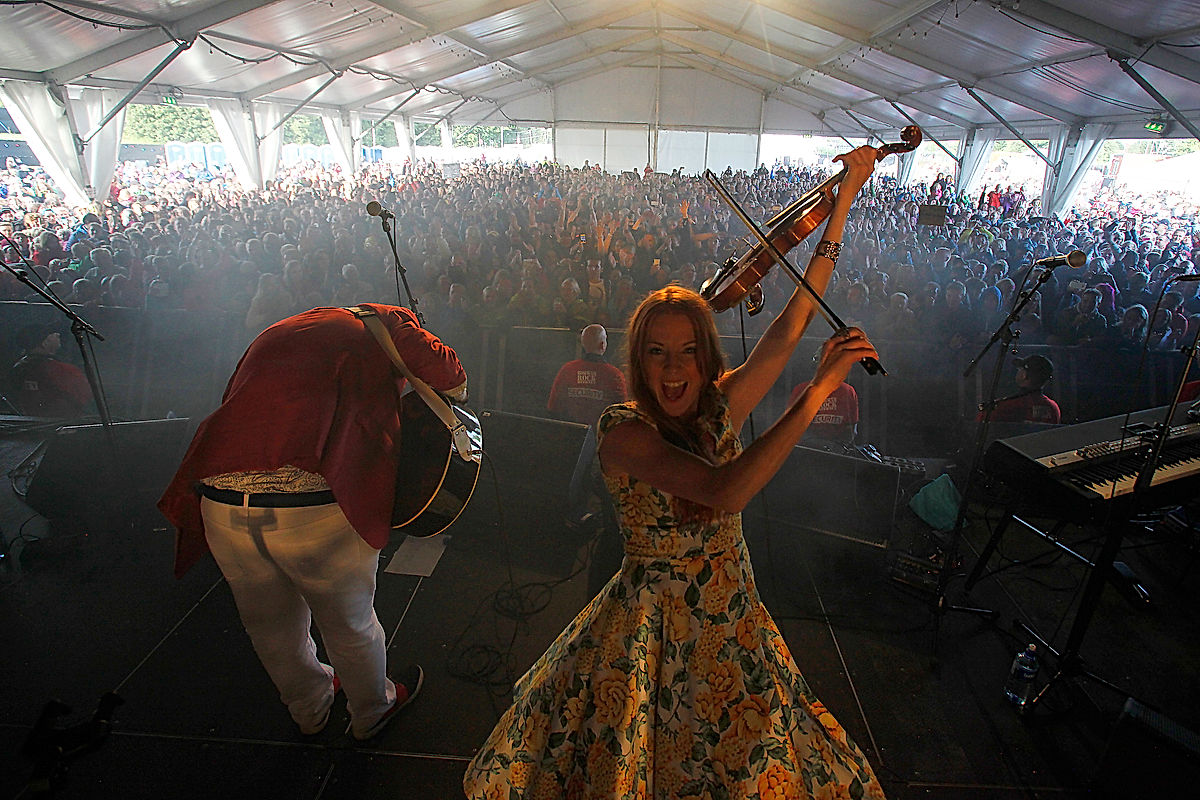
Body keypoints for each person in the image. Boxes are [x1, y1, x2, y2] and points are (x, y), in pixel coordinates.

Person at [464, 146, 886, 799]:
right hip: (652, 636)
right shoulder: (622, 432)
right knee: (652, 766)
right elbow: (726, 490)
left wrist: (843, 204)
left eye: (689, 352)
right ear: (638, 359)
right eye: (658, 352)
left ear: (705, 356)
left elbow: (794, 320)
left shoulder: (718, 407)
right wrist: (812, 394)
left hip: (731, 618)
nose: (673, 368)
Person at [158, 304, 466, 740]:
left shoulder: (277, 331)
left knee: (269, 623)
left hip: (221, 499)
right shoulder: (385, 322)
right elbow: (453, 378)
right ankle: (372, 709)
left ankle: (309, 707)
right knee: (348, 619)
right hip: (312, 502)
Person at [547, 324, 628, 526]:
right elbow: (621, 416)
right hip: (600, 449)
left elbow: (553, 408)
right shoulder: (614, 375)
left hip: (568, 444)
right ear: (603, 345)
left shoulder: (567, 370)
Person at [8, 323, 91, 418]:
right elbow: (85, 396)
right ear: (44, 343)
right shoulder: (61, 370)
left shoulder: (17, 368)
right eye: (51, 333)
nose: (58, 334)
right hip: (61, 423)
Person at [980, 354, 1061, 424]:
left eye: (1020, 369)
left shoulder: (1006, 406)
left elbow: (980, 424)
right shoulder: (1053, 408)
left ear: (1024, 375)